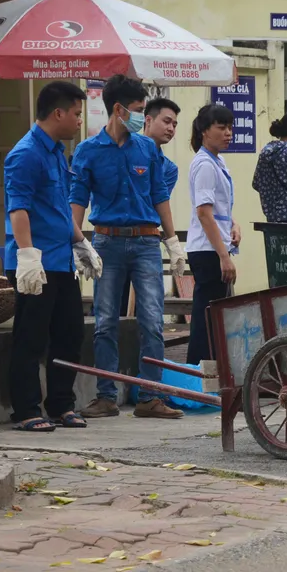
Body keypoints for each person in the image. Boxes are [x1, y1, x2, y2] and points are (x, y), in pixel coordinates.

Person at [70, 74, 186, 420]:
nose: (141, 117)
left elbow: (159, 195)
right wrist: (77, 243)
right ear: (118, 109)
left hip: (147, 243)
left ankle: (150, 395)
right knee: (105, 321)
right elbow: (77, 199)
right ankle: (106, 395)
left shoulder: (146, 148)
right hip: (105, 241)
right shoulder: (87, 152)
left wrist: (172, 241)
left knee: (152, 320)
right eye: (137, 110)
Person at [3, 81, 103, 432]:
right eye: (76, 114)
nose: (79, 121)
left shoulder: (56, 153)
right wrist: (28, 256)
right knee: (31, 338)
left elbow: (60, 208)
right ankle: (27, 410)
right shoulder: (25, 154)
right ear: (58, 113)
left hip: (61, 260)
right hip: (35, 263)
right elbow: (19, 210)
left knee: (69, 334)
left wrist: (82, 243)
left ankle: (61, 404)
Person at [116, 98, 183, 318]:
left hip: (146, 241)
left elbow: (155, 202)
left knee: (150, 313)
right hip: (114, 238)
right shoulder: (122, 150)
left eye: (174, 124)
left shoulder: (169, 168)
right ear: (147, 119)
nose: (171, 128)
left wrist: (173, 243)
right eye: (166, 121)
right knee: (112, 311)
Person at [186, 103, 240, 366]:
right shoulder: (205, 164)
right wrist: (224, 255)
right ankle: (200, 373)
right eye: (221, 128)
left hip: (215, 246)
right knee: (206, 317)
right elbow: (204, 213)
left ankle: (212, 373)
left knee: (214, 315)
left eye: (230, 127)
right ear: (205, 131)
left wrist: (233, 224)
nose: (228, 133)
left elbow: (219, 208)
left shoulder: (218, 160)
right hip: (208, 251)